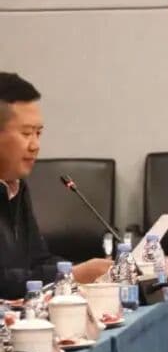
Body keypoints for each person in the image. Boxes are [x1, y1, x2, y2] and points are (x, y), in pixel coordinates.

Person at [0, 72, 113, 299]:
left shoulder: (16, 186)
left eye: (38, 133)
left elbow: (38, 260)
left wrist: (84, 272)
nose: (35, 145)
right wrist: (72, 275)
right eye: (26, 133)